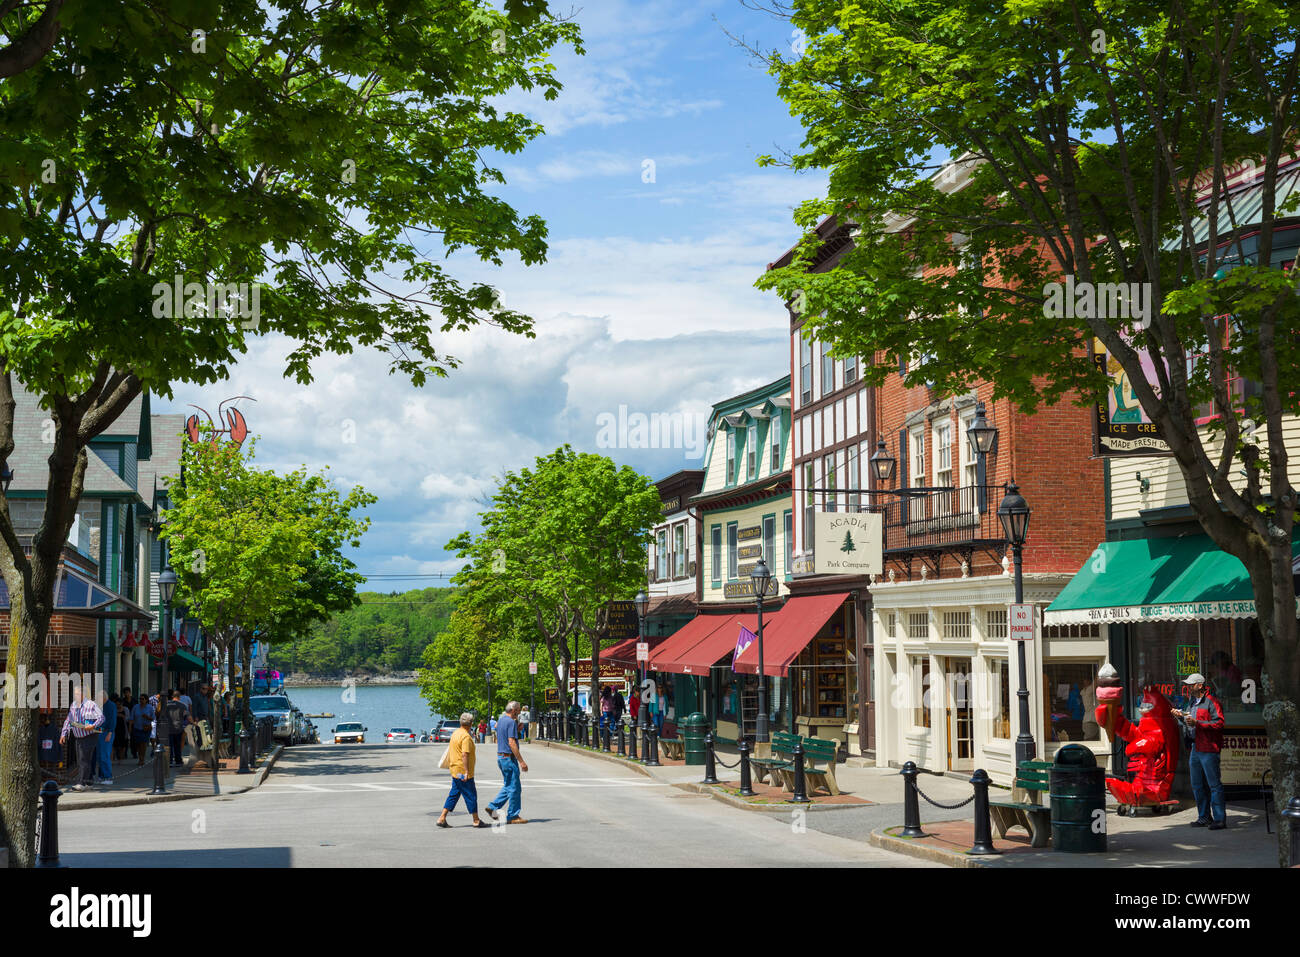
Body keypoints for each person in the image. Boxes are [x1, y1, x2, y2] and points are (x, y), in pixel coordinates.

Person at [1175, 673, 1227, 830]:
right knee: (1197, 785)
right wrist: (1180, 717)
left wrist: (1198, 723)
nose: (1188, 687)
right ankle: (1204, 816)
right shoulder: (1192, 702)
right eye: (1188, 685)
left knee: (1214, 784)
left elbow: (1219, 723)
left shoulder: (1212, 701)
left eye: (1191, 685)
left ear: (1199, 685)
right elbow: (1190, 722)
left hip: (1209, 748)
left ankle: (1219, 819)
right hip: (1196, 747)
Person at [436, 712, 484, 829]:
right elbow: (464, 754)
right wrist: (467, 771)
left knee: (454, 793)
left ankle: (442, 818)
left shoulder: (456, 733)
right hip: (462, 771)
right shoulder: (466, 737)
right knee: (471, 794)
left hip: (455, 768)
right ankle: (476, 820)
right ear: (471, 723)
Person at [485, 701, 528, 824]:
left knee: (509, 785)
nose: (520, 712)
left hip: (501, 757)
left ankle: (493, 807)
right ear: (514, 710)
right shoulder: (511, 722)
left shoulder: (502, 720)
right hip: (509, 758)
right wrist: (521, 761)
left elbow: (502, 735)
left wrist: (517, 730)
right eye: (518, 710)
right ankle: (513, 816)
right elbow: (511, 742)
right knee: (515, 788)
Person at [59, 684, 103, 791]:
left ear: (83, 694)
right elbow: (69, 720)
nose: (76, 696)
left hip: (90, 735)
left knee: (83, 759)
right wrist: (63, 734)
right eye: (75, 694)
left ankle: (81, 783)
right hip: (78, 736)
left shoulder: (91, 704)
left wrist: (93, 725)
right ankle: (89, 782)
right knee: (81, 759)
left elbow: (101, 717)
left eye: (78, 693)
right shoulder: (73, 705)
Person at [163, 690, 191, 767]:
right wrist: (193, 723)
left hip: (168, 728)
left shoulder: (166, 705)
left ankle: (170, 761)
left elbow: (161, 715)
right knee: (177, 746)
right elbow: (187, 716)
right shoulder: (182, 705)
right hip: (178, 728)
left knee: (169, 746)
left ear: (172, 696)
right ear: (179, 697)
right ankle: (178, 761)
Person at [130, 693, 154, 765]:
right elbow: (131, 718)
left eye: (142, 699)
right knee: (137, 744)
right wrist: (130, 728)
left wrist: (147, 717)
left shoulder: (150, 707)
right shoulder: (135, 707)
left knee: (143, 744)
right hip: (137, 728)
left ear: (146, 700)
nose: (141, 700)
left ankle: (142, 759)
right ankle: (140, 756)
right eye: (140, 699)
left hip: (146, 728)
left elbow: (153, 718)